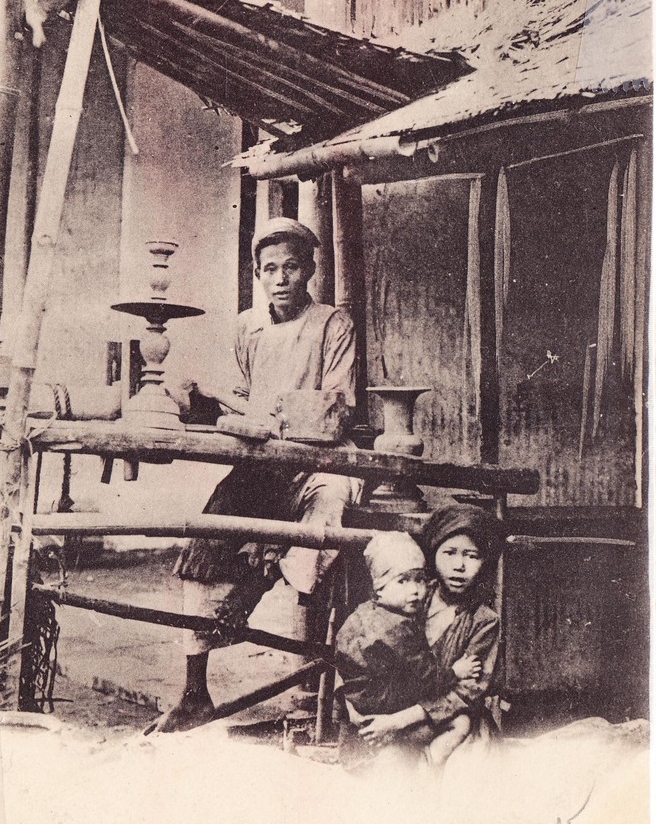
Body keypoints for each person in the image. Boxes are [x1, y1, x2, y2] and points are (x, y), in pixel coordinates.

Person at [157, 217, 361, 732]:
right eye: (270, 269)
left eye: (292, 266)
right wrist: (214, 404)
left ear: (310, 270)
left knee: (324, 518)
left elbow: (336, 407)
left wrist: (271, 417)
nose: (281, 278)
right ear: (257, 274)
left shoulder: (333, 324)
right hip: (262, 463)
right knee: (209, 536)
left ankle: (266, 606)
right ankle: (194, 692)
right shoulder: (247, 327)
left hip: (320, 463)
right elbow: (242, 396)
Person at [355, 506, 505, 760]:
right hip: (387, 712)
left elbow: (464, 693)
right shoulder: (408, 595)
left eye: (472, 556)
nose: (459, 565)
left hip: (449, 723)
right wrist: (354, 711)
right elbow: (358, 642)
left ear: (485, 562)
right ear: (433, 554)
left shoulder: (484, 621)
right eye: (449, 553)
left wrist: (397, 721)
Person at [335, 531, 481, 767]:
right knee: (461, 723)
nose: (414, 590)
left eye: (419, 580)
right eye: (402, 581)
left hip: (360, 715)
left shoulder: (361, 615)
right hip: (388, 714)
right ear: (379, 587)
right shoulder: (398, 627)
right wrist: (456, 671)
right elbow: (427, 676)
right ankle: (430, 762)